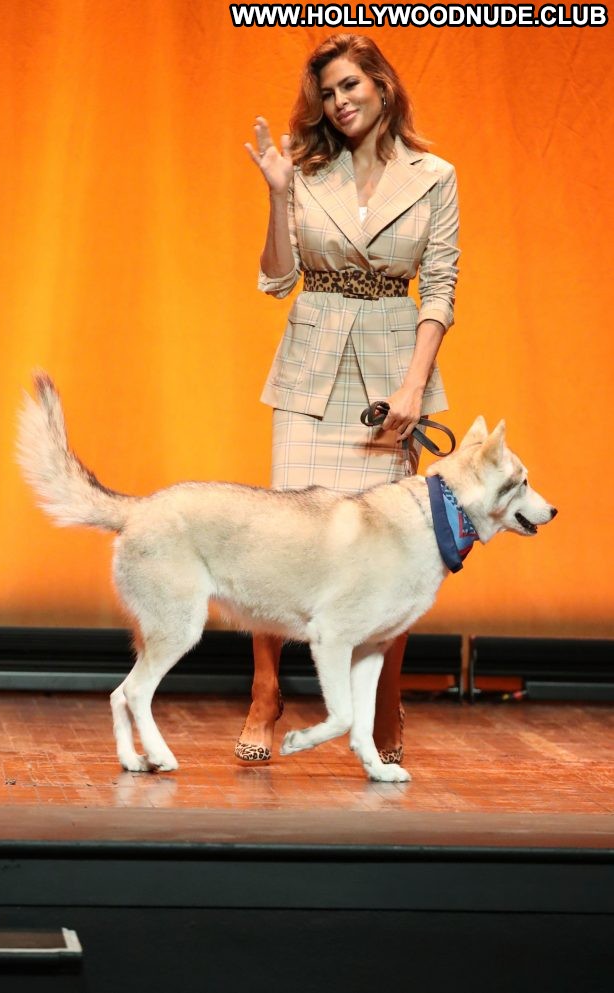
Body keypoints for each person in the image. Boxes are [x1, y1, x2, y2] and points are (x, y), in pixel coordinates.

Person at [236, 34, 459, 764]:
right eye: (328, 93)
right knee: (281, 541)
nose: (338, 102)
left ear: (382, 86)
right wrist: (277, 193)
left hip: (390, 378)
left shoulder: (434, 176)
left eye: (349, 86)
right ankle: (265, 693)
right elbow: (277, 280)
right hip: (312, 372)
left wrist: (415, 384)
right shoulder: (305, 173)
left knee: (389, 553)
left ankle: (383, 704)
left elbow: (441, 287)